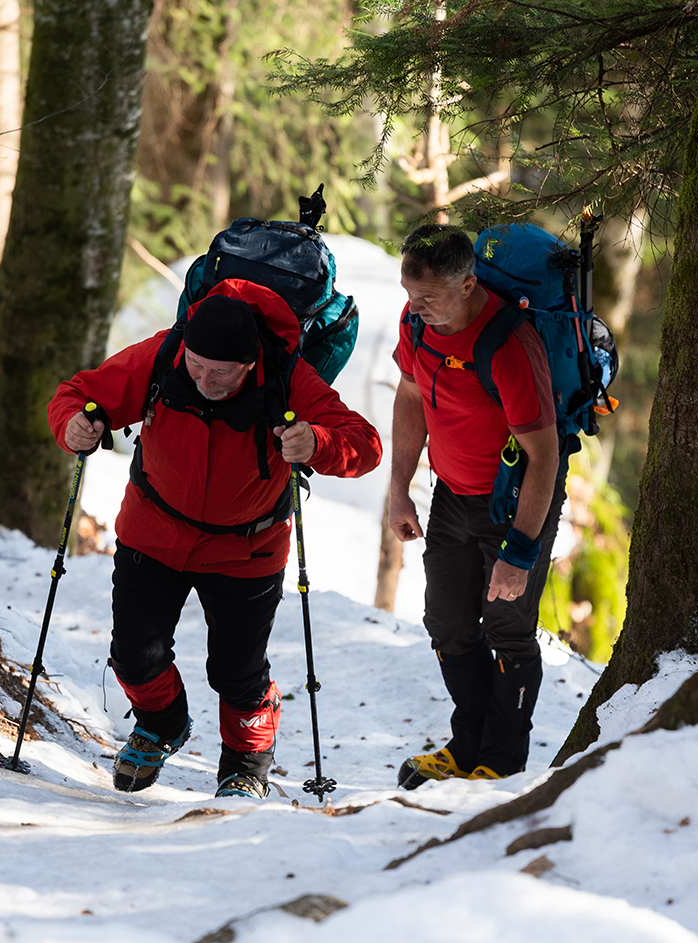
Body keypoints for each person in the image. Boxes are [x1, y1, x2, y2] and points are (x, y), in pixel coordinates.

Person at [48, 278, 381, 799]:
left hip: (248, 550)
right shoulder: (163, 355)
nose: (204, 378)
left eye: (220, 371)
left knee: (237, 671)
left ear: (250, 363)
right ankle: (160, 724)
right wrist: (73, 424)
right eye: (196, 365)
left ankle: (245, 764)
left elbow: (364, 445)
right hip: (153, 532)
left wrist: (317, 442)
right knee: (133, 655)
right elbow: (78, 394)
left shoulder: (288, 376)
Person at [388, 224, 563, 787]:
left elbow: (545, 457)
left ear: (468, 286)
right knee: (447, 625)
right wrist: (399, 488)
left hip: (513, 503)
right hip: (451, 495)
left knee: (507, 631)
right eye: (409, 293)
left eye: (428, 297)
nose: (416, 307)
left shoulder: (508, 345)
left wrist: (520, 550)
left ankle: (501, 763)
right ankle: (467, 749)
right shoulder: (417, 324)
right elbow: (411, 395)